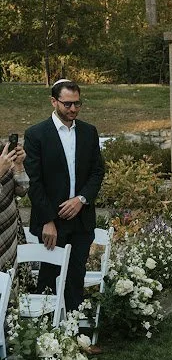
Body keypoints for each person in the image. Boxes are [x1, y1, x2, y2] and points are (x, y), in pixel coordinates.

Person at [23, 80, 105, 320]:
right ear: (54, 101)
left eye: (77, 103)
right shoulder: (36, 134)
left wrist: (81, 199)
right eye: (68, 104)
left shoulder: (89, 132)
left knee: (76, 279)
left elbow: (97, 172)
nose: (73, 109)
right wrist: (48, 220)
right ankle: (47, 340)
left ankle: (75, 339)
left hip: (81, 220)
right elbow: (34, 183)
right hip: (51, 224)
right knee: (49, 279)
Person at [0, 140, 29, 271]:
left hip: (8, 233)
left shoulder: (3, 157)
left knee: (9, 285)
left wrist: (18, 165)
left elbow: (22, 190)